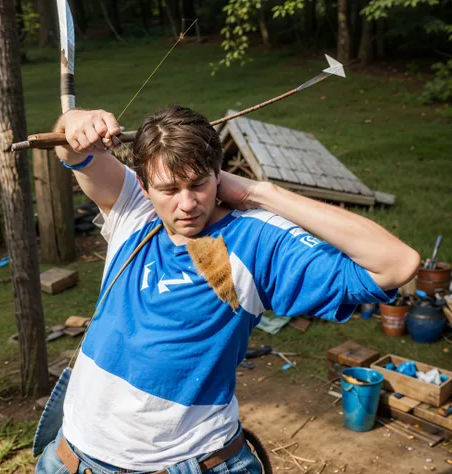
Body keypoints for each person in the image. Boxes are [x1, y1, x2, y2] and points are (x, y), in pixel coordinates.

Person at [36, 106, 420, 474]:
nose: (187, 204)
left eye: (198, 185)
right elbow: (72, 150)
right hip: (72, 456)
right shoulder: (134, 208)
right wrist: (75, 121)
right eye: (169, 189)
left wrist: (260, 192)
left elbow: (397, 264)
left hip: (184, 462)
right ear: (143, 183)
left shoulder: (255, 241)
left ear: (218, 174)